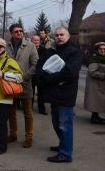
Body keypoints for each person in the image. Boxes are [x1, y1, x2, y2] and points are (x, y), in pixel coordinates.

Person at [36, 27, 82, 163]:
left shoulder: (74, 52)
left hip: (66, 95)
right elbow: (40, 64)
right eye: (56, 35)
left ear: (67, 36)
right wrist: (40, 76)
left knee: (64, 125)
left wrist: (47, 79)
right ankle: (64, 145)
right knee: (56, 123)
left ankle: (66, 154)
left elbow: (69, 73)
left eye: (62, 34)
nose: (59, 37)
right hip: (54, 94)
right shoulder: (52, 50)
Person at [6, 24, 38, 148]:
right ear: (11, 33)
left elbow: (35, 64)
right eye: (16, 31)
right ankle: (13, 134)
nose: (19, 33)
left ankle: (29, 137)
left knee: (28, 113)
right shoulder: (7, 46)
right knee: (11, 112)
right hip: (10, 84)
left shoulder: (30, 46)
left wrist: (24, 77)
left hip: (25, 83)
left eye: (21, 31)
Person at [84, 41, 105, 124]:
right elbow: (92, 72)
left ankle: (96, 117)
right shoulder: (94, 58)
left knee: (98, 102)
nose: (103, 51)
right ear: (97, 50)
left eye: (104, 49)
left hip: (100, 85)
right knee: (96, 102)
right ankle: (95, 118)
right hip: (95, 85)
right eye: (101, 49)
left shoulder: (102, 58)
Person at [31, 35, 47, 115]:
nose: (36, 41)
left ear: (40, 41)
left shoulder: (44, 50)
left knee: (41, 93)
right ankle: (29, 108)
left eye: (38, 40)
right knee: (31, 92)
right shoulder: (29, 49)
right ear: (32, 41)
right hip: (31, 73)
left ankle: (42, 109)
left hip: (40, 74)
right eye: (34, 40)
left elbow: (45, 61)